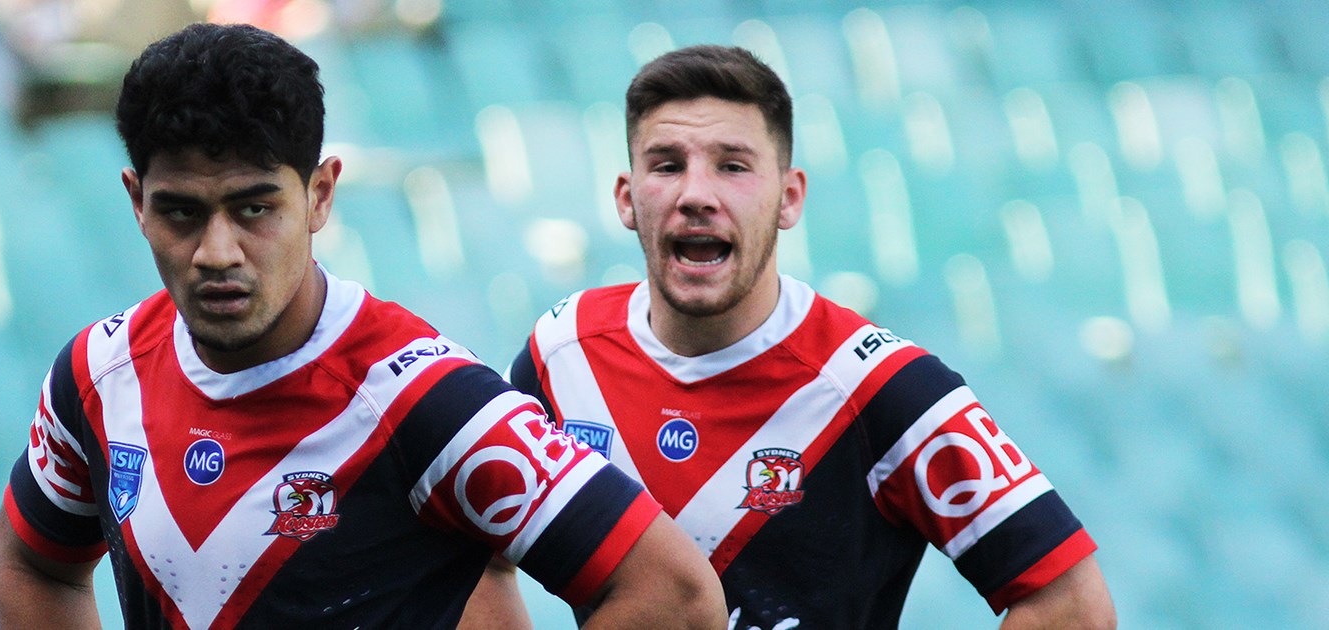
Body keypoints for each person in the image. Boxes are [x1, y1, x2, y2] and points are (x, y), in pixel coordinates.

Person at [0, 22, 725, 629]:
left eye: (254, 208)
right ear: (135, 201)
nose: (217, 252)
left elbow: (677, 596)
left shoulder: (424, 397)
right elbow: (34, 564)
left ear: (320, 195)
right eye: (182, 211)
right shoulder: (96, 375)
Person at [468, 46, 1116, 629]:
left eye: (733, 166)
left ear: (789, 197)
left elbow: (1072, 603)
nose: (696, 194)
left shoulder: (882, 385)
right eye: (667, 165)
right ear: (627, 198)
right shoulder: (562, 353)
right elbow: (473, 562)